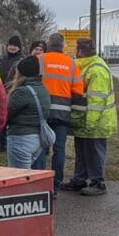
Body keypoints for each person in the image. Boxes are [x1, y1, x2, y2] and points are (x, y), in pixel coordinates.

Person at [65, 37, 117, 196]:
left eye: (77, 50)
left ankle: (97, 182)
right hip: (84, 118)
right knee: (82, 151)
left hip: (96, 121)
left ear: (81, 51)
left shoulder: (96, 70)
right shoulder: (85, 67)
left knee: (94, 151)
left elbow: (96, 100)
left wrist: (90, 123)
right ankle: (79, 179)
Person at [40, 32, 83, 189]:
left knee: (40, 148)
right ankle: (55, 184)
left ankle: (40, 183)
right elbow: (78, 92)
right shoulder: (71, 64)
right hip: (63, 115)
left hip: (42, 112)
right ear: (63, 45)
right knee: (59, 150)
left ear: (48, 44)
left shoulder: (40, 59)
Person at [4, 55, 51, 169]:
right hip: (37, 138)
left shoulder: (23, 92)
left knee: (19, 178)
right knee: (33, 177)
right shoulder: (43, 88)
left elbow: (5, 113)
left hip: (21, 138)